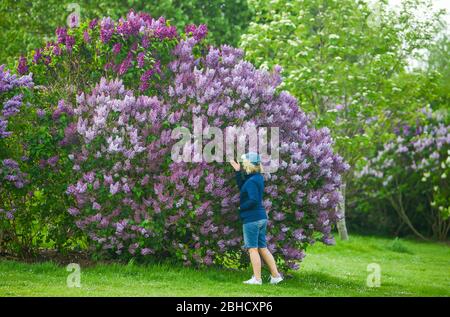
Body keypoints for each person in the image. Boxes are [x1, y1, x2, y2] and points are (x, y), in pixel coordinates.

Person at [230, 152, 283, 285]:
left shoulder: (252, 181)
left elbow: (253, 199)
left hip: (252, 219)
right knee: (262, 248)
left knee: (253, 249)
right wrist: (238, 172)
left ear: (249, 164)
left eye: (243, 163)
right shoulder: (256, 177)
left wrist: (241, 208)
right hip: (260, 217)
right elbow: (243, 187)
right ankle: (276, 276)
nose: (242, 164)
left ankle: (257, 279)